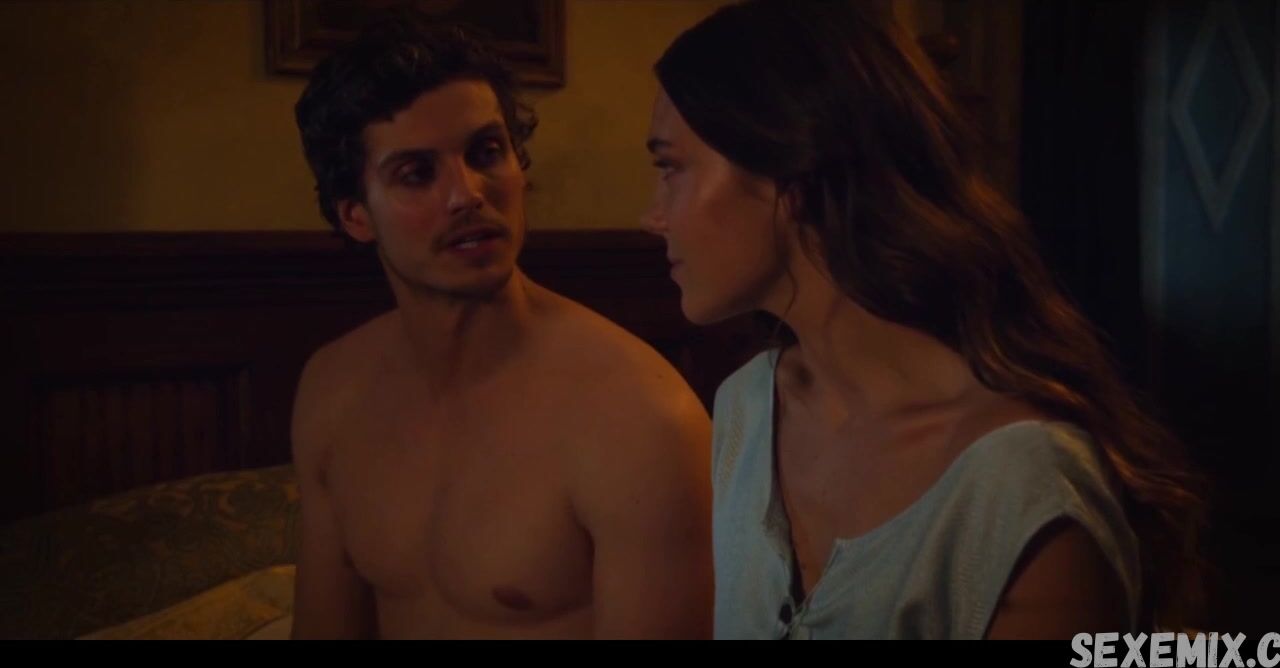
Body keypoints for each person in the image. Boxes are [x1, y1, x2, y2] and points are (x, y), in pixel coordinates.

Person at [641, 0, 1204, 639]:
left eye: (671, 168)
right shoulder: (746, 409)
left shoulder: (1016, 486)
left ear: (786, 170)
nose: (653, 217)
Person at [288, 12, 713, 639]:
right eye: (416, 173)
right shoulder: (333, 390)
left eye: (486, 152)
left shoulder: (639, 418)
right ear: (356, 215)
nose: (467, 194)